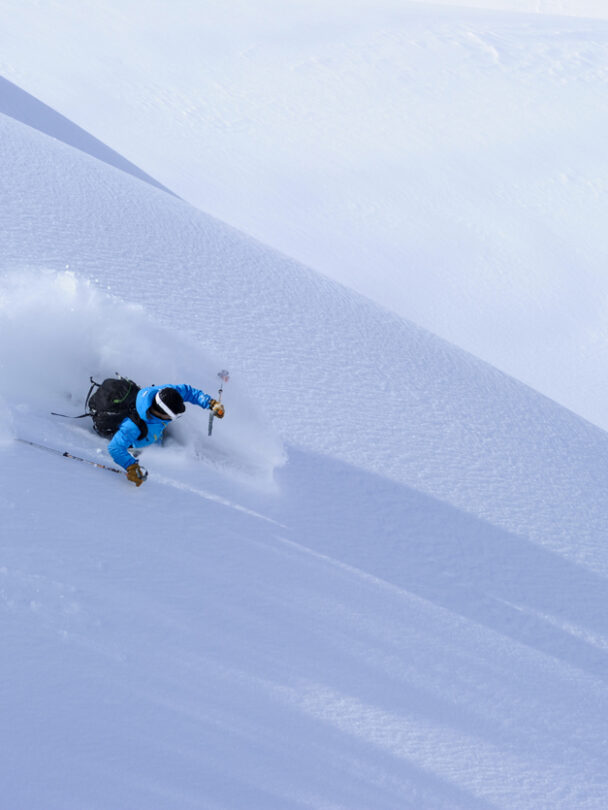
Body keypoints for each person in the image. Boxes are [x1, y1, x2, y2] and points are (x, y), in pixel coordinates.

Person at [108, 383, 225, 486]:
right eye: (174, 416)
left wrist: (210, 403)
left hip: (155, 434)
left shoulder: (165, 394)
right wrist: (131, 467)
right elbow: (115, 447)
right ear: (162, 413)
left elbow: (188, 391)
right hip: (139, 445)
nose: (173, 419)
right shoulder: (133, 427)